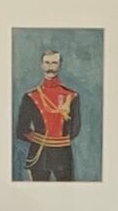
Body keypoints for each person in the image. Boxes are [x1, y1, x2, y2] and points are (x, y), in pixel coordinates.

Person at [16, 46, 84, 182]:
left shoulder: (72, 95)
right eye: (47, 63)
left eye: (54, 63)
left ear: (60, 65)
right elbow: (21, 130)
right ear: (42, 65)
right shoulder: (30, 96)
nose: (50, 67)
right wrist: (42, 139)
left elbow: (75, 129)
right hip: (39, 153)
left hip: (63, 154)